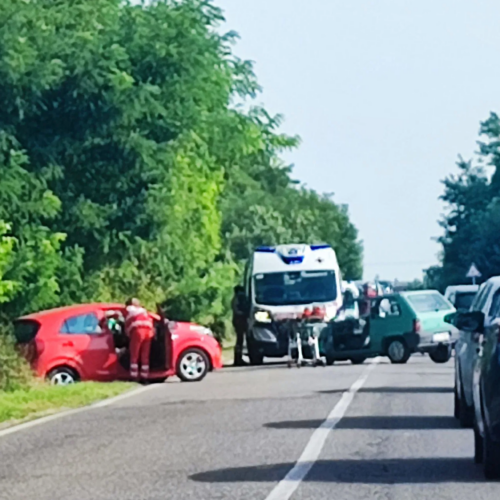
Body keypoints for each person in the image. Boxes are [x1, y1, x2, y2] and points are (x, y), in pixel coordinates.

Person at [124, 298, 154, 380]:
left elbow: (126, 323)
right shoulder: (143, 311)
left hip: (138, 331)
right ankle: (145, 376)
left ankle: (134, 375)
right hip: (149, 332)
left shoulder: (128, 310)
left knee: (134, 354)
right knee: (145, 354)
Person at [232, 285, 247, 366]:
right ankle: (237, 359)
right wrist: (244, 313)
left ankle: (239, 358)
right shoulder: (236, 300)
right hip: (238, 321)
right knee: (239, 340)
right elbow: (236, 310)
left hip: (239, 320)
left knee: (240, 340)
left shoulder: (238, 299)